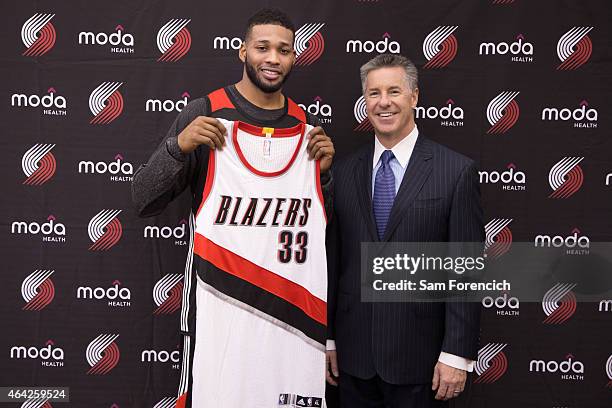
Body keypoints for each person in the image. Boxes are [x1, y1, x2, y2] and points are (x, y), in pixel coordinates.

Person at [132, 8, 334, 407]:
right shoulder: (207, 113)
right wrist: (178, 147)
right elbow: (143, 199)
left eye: (284, 50)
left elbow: (320, 222)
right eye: (263, 47)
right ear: (242, 51)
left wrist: (324, 176)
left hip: (290, 311)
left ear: (295, 58)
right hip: (218, 300)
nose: (273, 59)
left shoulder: (306, 126)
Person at [325, 54, 483, 407]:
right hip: (354, 359)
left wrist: (456, 353)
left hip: (421, 362)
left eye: (394, 91)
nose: (384, 102)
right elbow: (334, 262)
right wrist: (329, 339)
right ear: (364, 101)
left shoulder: (455, 171)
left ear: (414, 96)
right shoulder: (344, 172)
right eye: (373, 93)